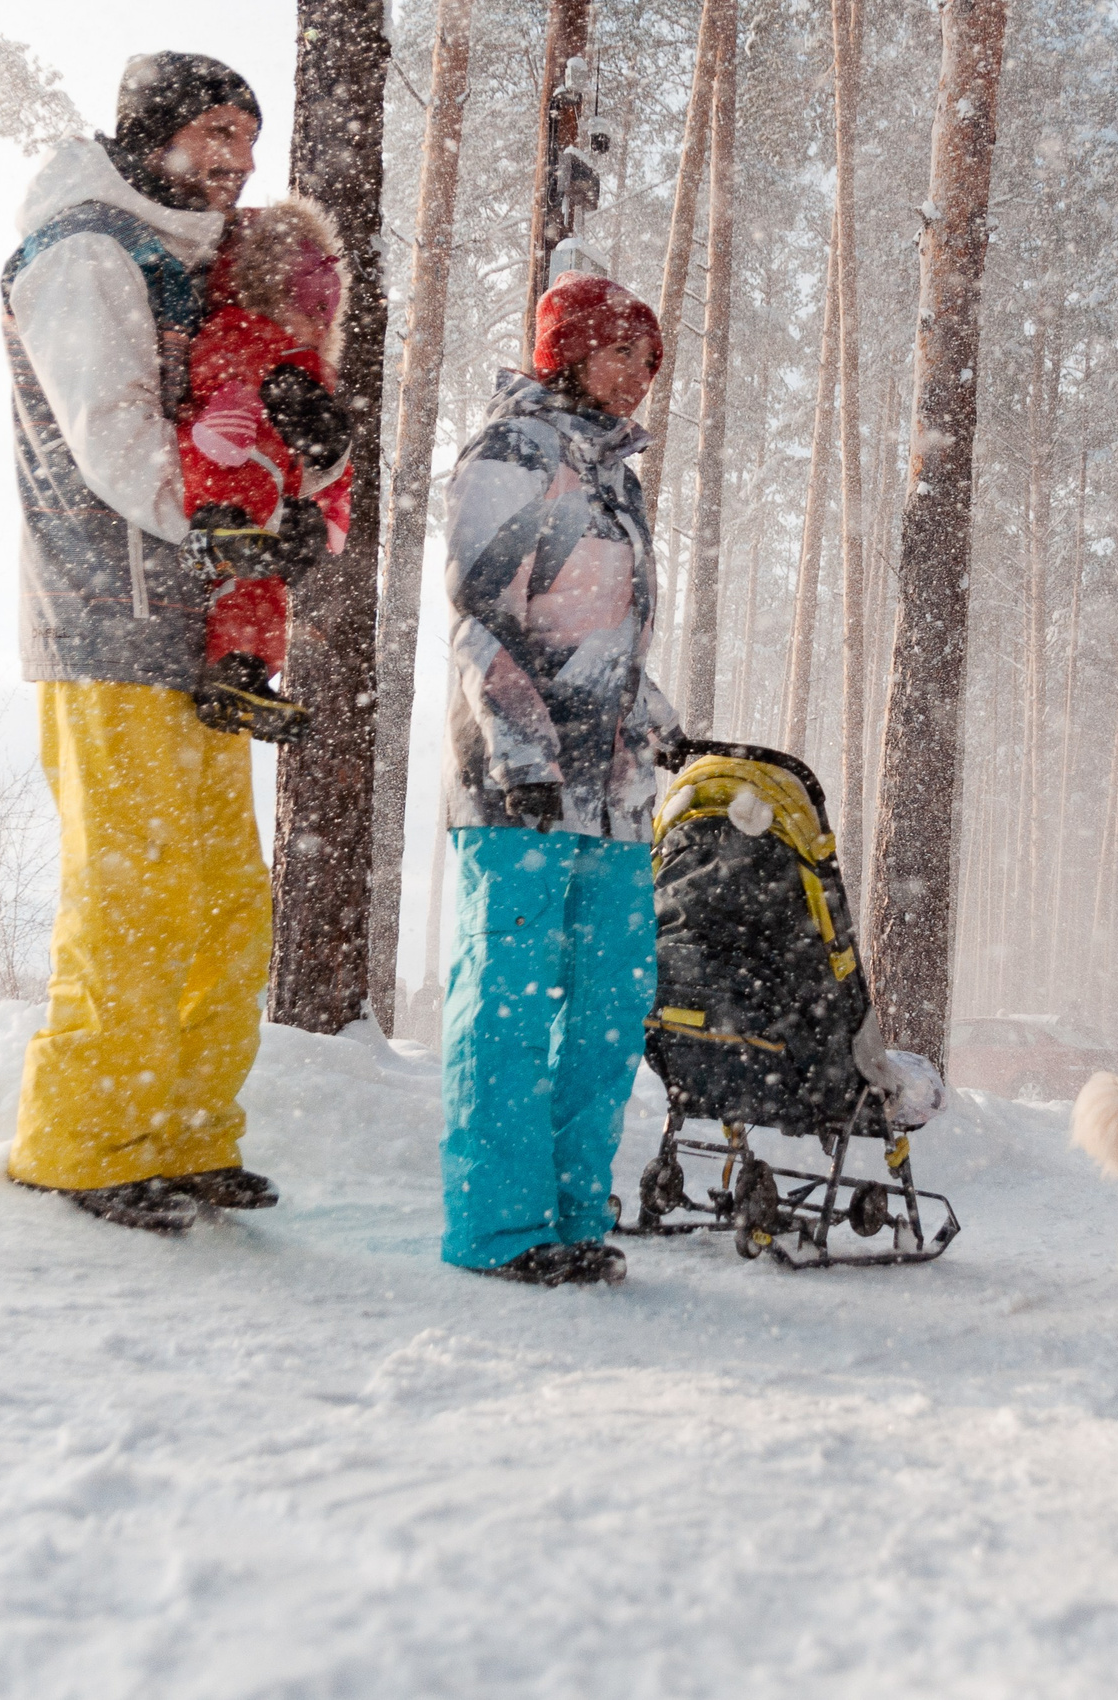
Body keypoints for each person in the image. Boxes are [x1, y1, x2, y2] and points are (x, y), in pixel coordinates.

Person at [0, 53, 283, 1233]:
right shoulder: (86, 249)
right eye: (215, 132)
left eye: (248, 142)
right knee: (131, 892)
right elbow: (111, 430)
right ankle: (84, 1140)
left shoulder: (193, 261)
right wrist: (225, 511)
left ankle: (182, 1130)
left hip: (193, 623)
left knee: (222, 894)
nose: (234, 161)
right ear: (154, 133)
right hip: (104, 614)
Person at [437, 273, 672, 1286]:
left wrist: (659, 728)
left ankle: (576, 1212)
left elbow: (605, 632)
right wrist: (521, 753)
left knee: (610, 1006)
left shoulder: (614, 476)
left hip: (610, 788)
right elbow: (483, 613)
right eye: (619, 352)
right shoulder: (510, 454)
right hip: (516, 786)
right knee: (513, 1005)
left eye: (647, 360)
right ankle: (500, 1225)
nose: (636, 376)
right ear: (565, 350)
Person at [178, 192, 357, 742]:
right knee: (231, 465)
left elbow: (334, 472)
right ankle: (218, 523)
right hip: (224, 474)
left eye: (324, 308)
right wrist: (249, 394)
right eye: (303, 300)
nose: (313, 320)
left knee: (263, 589)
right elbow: (210, 380)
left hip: (270, 514)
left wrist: (321, 512)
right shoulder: (234, 332)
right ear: (266, 289)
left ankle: (241, 675)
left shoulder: (315, 378)